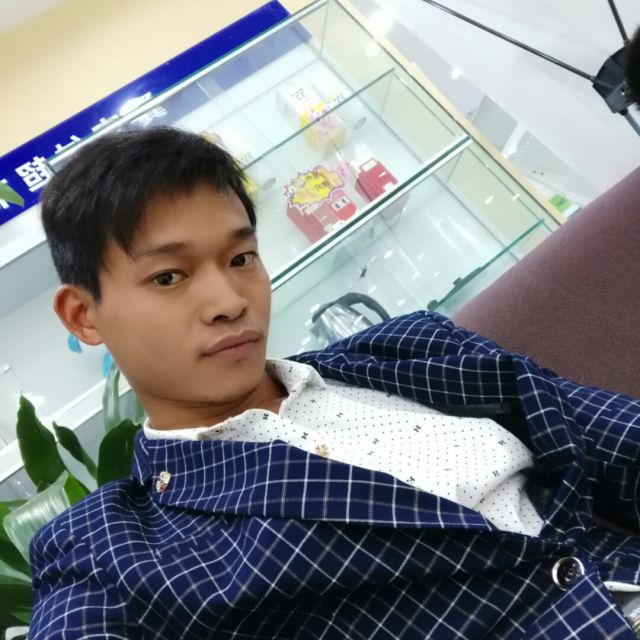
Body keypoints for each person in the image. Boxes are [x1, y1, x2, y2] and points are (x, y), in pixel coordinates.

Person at [31, 127, 639, 639]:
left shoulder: (408, 348)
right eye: (168, 277)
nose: (229, 302)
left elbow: (616, 439)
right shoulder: (110, 553)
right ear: (84, 315)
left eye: (241, 259)